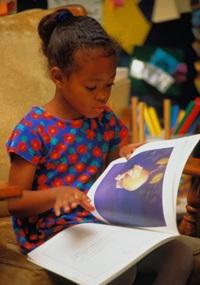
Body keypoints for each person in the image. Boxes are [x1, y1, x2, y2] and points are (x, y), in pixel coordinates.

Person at [6, 8, 193, 285]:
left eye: (109, 85)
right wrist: (56, 195)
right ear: (58, 78)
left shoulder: (105, 120)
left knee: (179, 252)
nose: (103, 96)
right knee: (122, 272)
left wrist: (128, 158)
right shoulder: (33, 129)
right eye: (92, 87)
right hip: (51, 237)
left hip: (101, 228)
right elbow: (13, 202)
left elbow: (109, 174)